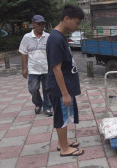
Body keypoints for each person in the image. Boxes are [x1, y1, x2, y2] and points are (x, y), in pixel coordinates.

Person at [46, 4, 84, 157]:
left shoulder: (60, 36)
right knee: (61, 117)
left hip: (64, 86)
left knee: (65, 115)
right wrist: (65, 93)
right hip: (60, 88)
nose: (77, 25)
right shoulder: (55, 39)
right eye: (77, 22)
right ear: (66, 18)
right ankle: (64, 149)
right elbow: (56, 68)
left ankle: (62, 143)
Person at [19, 15, 52, 116]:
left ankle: (47, 107)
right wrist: (24, 68)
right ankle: (38, 103)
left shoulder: (48, 36)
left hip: (46, 68)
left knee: (48, 89)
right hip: (33, 69)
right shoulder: (27, 37)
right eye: (38, 24)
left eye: (43, 24)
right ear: (33, 23)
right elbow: (24, 53)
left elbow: (52, 52)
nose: (41, 26)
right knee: (33, 89)